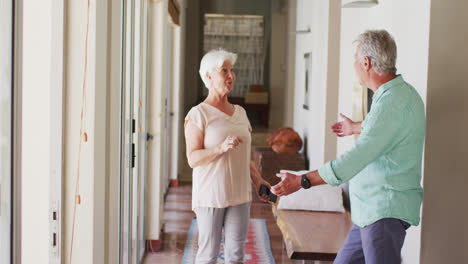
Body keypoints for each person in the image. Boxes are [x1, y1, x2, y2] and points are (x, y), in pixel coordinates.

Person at [271, 30, 425, 264]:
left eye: (355, 58)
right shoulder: (401, 95)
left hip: (383, 212)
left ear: (366, 63)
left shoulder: (391, 104)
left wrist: (302, 181)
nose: (354, 64)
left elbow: (354, 160)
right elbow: (388, 131)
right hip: (369, 212)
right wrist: (356, 127)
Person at [184, 48, 271, 264]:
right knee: (208, 255)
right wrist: (220, 148)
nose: (231, 76)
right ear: (208, 76)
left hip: (240, 195)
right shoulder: (198, 114)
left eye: (232, 70)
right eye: (224, 70)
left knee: (235, 255)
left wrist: (258, 179)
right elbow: (193, 158)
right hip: (211, 195)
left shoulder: (241, 113)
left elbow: (245, 157)